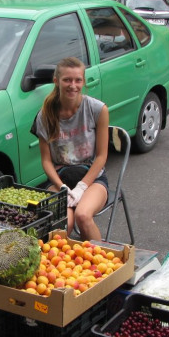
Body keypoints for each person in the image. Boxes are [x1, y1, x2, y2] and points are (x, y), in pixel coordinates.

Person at [34, 57, 110, 241]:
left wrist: (82, 187)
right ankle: (56, 267)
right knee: (62, 223)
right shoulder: (45, 115)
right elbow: (46, 161)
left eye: (78, 80)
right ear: (56, 81)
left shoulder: (97, 109)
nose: (73, 85)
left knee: (83, 216)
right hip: (60, 180)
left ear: (83, 81)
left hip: (92, 179)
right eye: (67, 80)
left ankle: (101, 265)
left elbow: (101, 156)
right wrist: (62, 188)